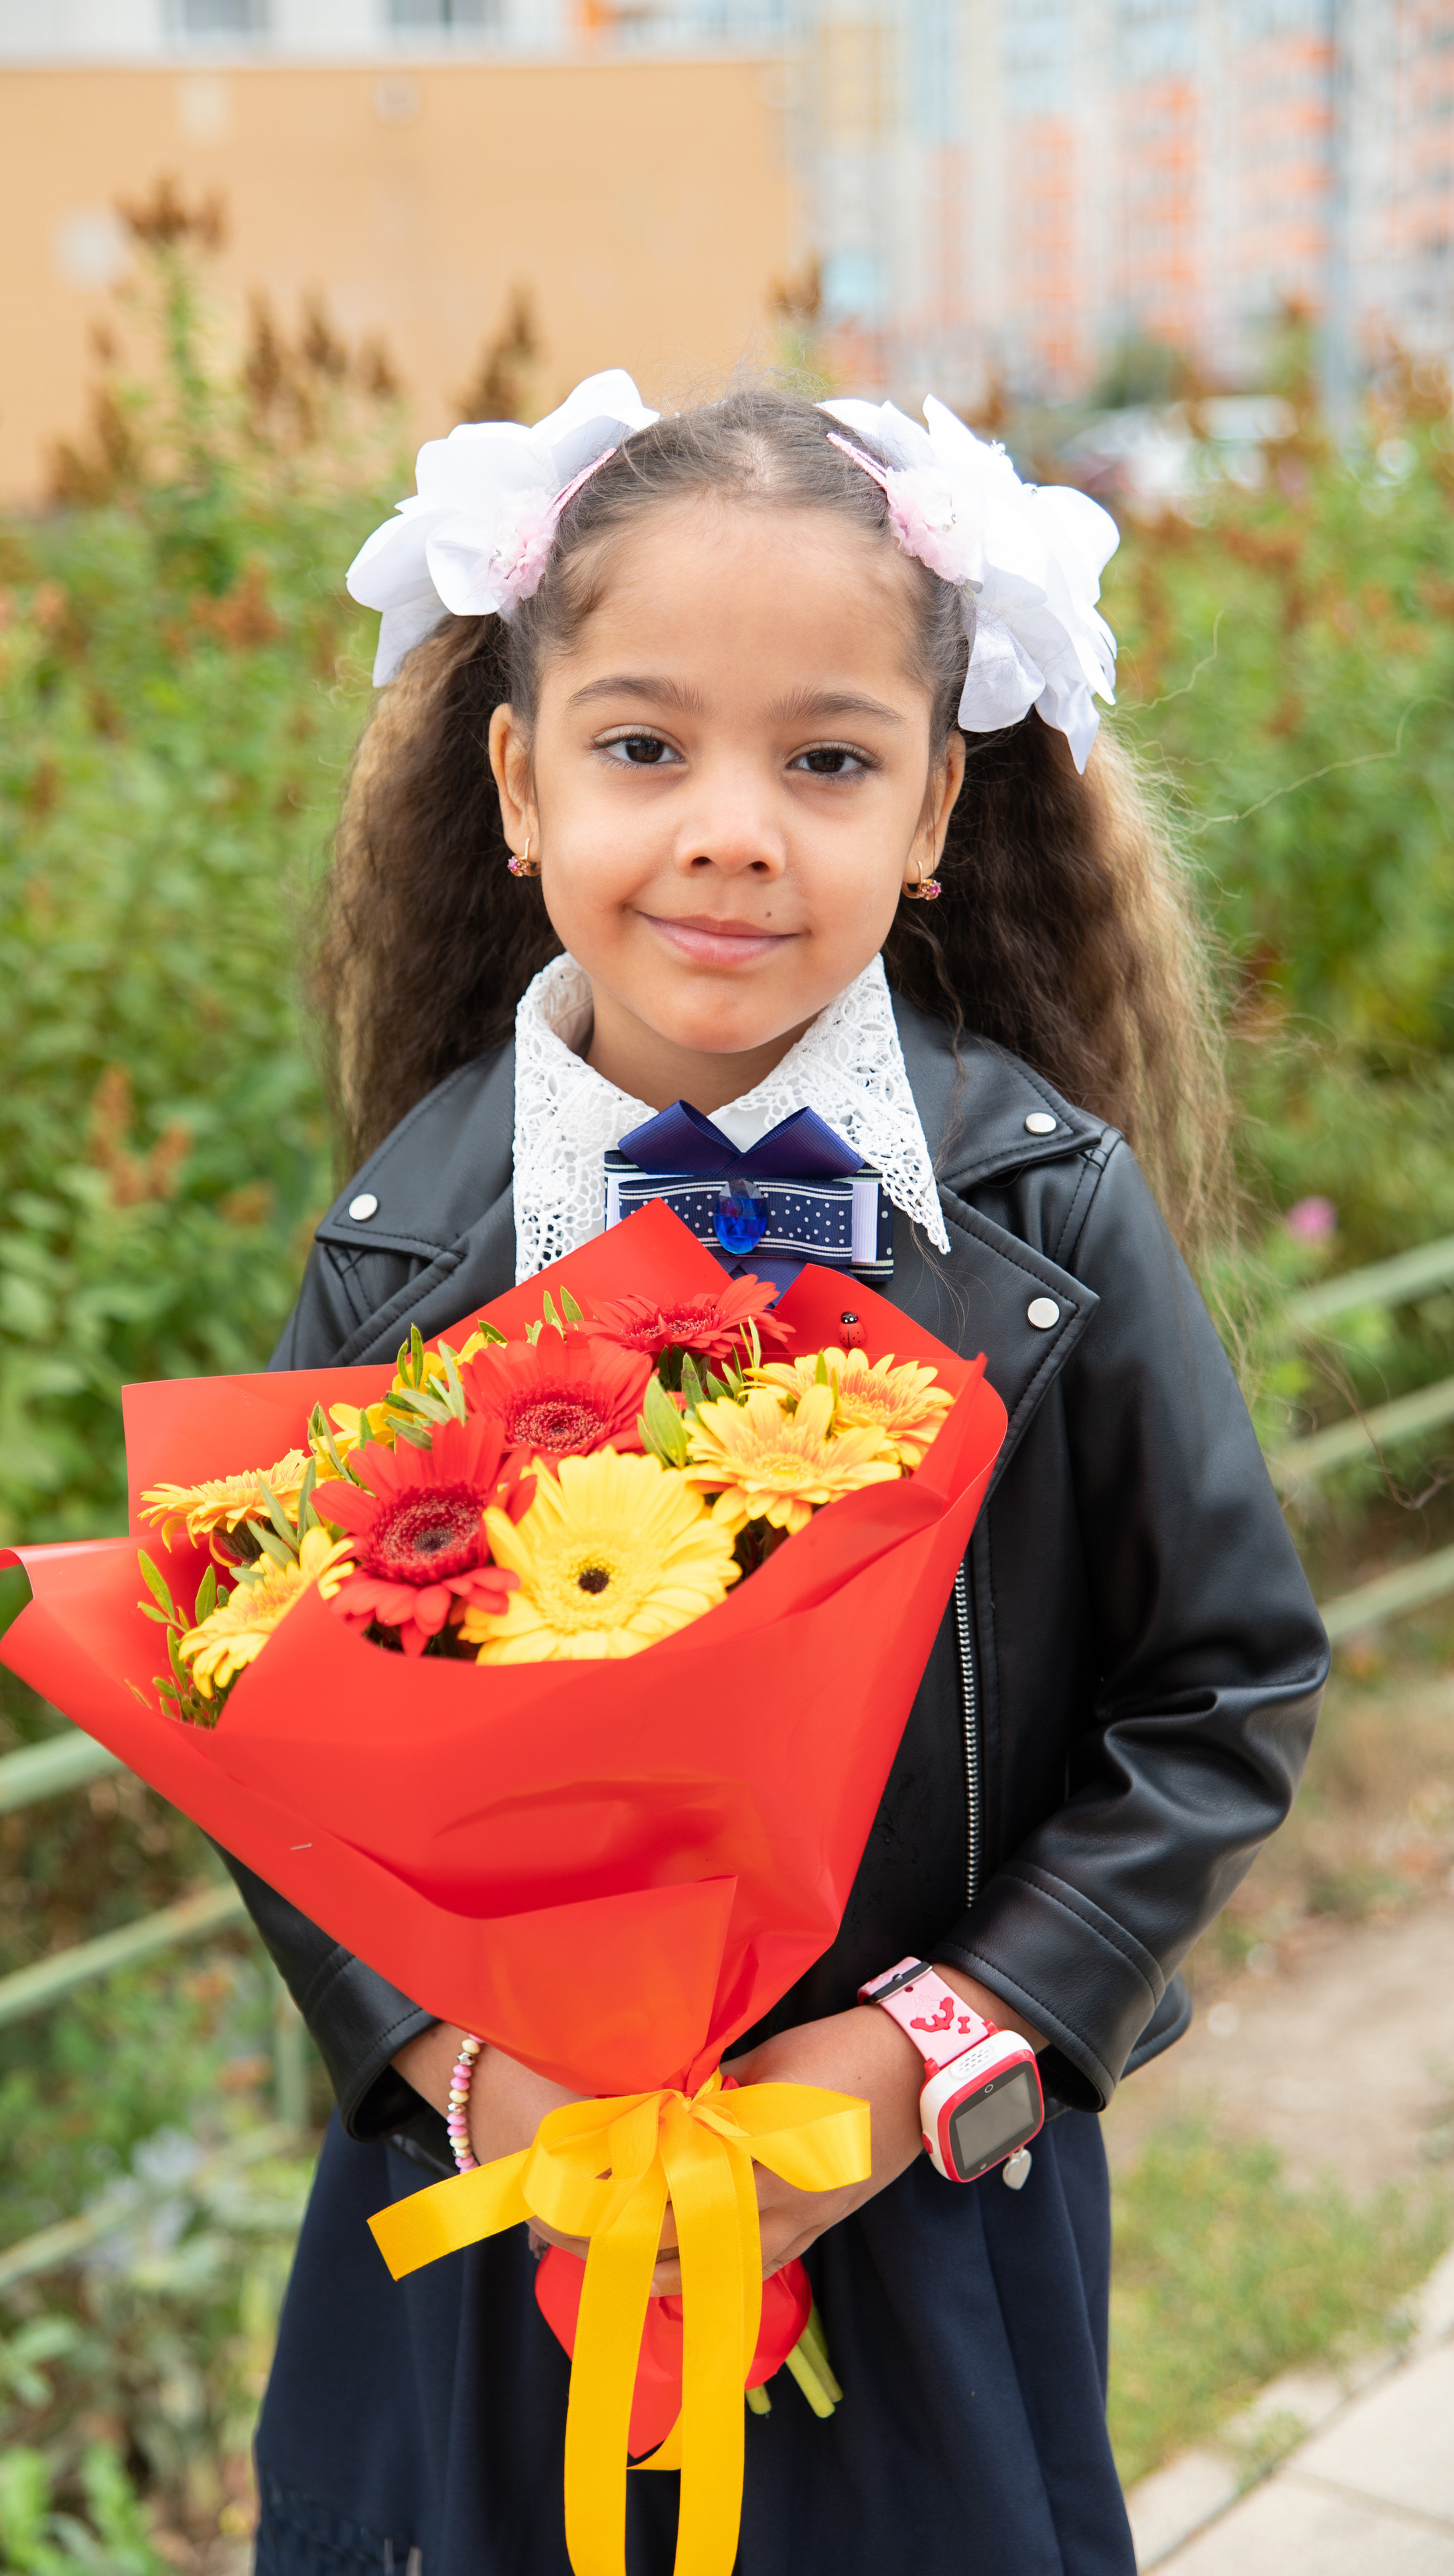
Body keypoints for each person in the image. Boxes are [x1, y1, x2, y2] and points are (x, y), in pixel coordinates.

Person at [224, 376, 1328, 2576]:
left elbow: (1222, 1698)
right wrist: (461, 2066)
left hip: (920, 2220)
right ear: (521, 786)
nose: (735, 826)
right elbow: (276, 1732)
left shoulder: (1049, 1223)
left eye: (827, 759)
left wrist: (931, 2050)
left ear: (934, 813)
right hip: (504, 2230)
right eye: (646, 747)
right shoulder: (405, 1244)